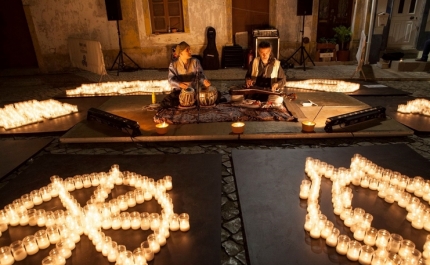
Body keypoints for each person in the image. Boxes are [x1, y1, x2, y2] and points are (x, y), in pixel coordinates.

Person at [160, 41, 211, 108]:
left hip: (194, 90)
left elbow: (200, 75)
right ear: (181, 53)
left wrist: (204, 81)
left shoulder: (195, 61)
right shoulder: (173, 64)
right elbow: (170, 79)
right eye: (187, 50)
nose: (190, 51)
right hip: (180, 92)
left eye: (189, 49)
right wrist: (179, 84)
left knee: (212, 97)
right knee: (167, 102)